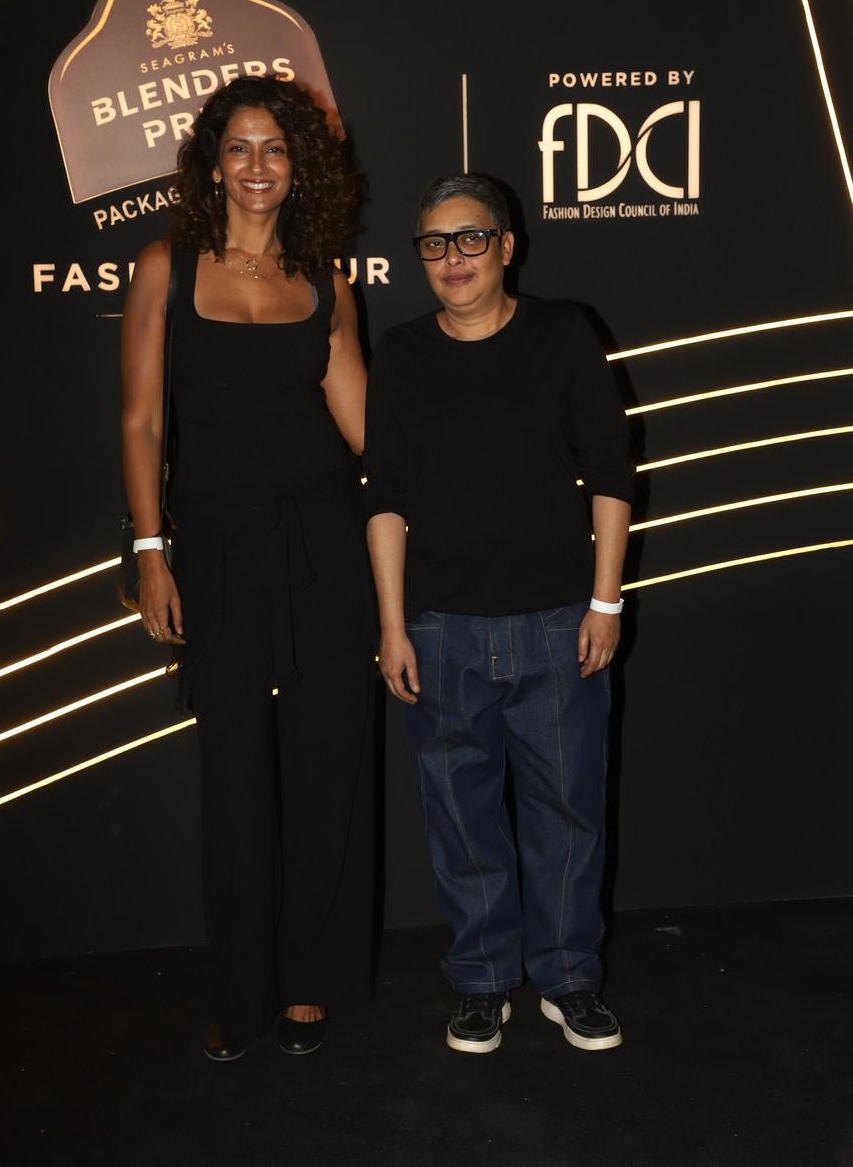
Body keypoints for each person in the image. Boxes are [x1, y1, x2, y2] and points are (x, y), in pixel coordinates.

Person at [121, 75, 377, 1061]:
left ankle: (310, 982)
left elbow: (365, 432)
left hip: (324, 542)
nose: (258, 165)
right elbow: (142, 423)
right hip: (216, 546)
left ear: (300, 165)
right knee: (234, 774)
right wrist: (151, 551)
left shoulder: (326, 281)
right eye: (240, 147)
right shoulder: (166, 267)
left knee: (326, 759)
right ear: (213, 162)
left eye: (276, 148)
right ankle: (243, 989)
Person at [364, 173, 633, 1054]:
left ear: (507, 246)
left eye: (471, 238)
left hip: (557, 622)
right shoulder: (402, 353)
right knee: (460, 817)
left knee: (567, 813)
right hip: (440, 628)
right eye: (434, 244)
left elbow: (611, 468)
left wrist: (605, 600)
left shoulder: (562, 334)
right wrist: (392, 625)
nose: (454, 258)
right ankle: (482, 981)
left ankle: (568, 978)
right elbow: (385, 496)